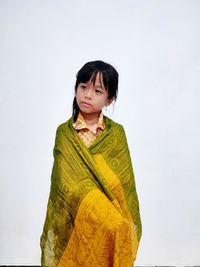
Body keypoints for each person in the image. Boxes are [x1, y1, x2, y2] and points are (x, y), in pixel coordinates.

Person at [40, 60, 142, 267]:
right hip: (77, 206)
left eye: (97, 91)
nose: (87, 95)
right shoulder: (64, 132)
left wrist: (103, 203)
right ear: (75, 89)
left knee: (119, 227)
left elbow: (123, 181)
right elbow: (64, 181)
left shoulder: (117, 133)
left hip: (109, 203)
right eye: (83, 87)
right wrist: (91, 202)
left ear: (109, 99)